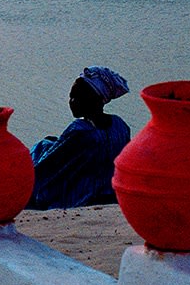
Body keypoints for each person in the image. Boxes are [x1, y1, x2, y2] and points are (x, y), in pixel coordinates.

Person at [27, 66, 132, 210]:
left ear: (98, 100)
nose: (72, 101)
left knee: (40, 148)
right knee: (50, 142)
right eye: (71, 96)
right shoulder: (120, 125)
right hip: (112, 192)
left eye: (78, 97)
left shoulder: (80, 130)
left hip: (83, 196)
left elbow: (48, 165)